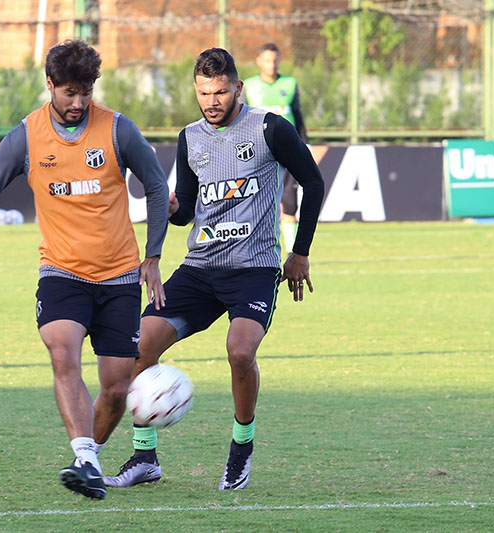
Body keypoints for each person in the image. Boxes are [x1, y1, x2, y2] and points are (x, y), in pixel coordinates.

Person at [0, 39, 169, 501]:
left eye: (86, 92)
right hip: (61, 272)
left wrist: (153, 257)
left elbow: (157, 187)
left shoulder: (119, 130)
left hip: (120, 277)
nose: (79, 103)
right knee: (63, 351)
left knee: (117, 387)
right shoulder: (25, 137)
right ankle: (84, 456)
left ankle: (89, 462)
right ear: (50, 86)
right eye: (69, 93)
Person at [103, 48, 324, 491]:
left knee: (240, 352)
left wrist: (299, 252)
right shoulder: (190, 138)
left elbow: (312, 181)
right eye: (204, 92)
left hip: (254, 270)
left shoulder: (268, 128)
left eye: (221, 91)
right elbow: (186, 209)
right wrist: (174, 206)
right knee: (139, 348)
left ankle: (242, 447)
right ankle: (145, 456)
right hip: (200, 269)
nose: (212, 100)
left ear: (237, 88)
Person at [241, 43, 308, 255]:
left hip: (288, 150)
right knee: (256, 198)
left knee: (289, 198)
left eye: (275, 59)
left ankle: (291, 251)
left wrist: (304, 145)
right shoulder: (249, 86)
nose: (272, 64)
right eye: (268, 60)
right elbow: (241, 119)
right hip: (259, 151)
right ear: (259, 61)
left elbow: (297, 116)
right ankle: (254, 245)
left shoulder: (290, 84)